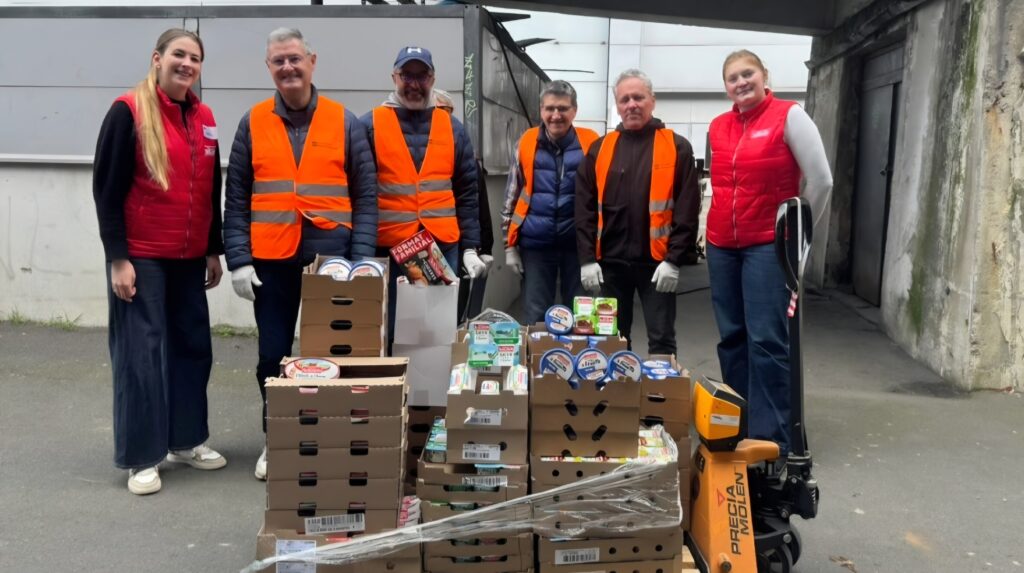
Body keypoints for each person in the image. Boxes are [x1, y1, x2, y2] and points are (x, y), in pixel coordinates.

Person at [224, 28, 378, 480]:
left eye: (294, 58)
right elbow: (236, 197)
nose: (287, 67)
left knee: (329, 357)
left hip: (330, 263)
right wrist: (238, 259)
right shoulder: (251, 123)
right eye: (278, 61)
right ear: (268, 68)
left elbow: (365, 195)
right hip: (270, 262)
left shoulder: (344, 121)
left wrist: (361, 258)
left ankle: (325, 438)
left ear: (312, 60)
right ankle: (278, 440)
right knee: (272, 357)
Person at [92, 29, 226, 495]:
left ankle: (185, 441)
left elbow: (211, 190)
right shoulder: (128, 111)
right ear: (157, 59)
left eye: (195, 58)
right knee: (140, 356)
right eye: (178, 55)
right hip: (143, 256)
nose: (186, 64)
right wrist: (118, 259)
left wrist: (214, 248)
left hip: (190, 258)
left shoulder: (205, 116)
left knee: (193, 349)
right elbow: (106, 191)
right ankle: (142, 456)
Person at [706, 50, 833, 457]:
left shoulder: (788, 115)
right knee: (732, 338)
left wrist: (797, 233)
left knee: (766, 340)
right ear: (725, 86)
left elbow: (821, 180)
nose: (741, 82)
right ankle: (737, 424)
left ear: (764, 76)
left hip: (767, 245)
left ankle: (771, 437)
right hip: (722, 243)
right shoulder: (718, 126)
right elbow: (719, 182)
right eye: (732, 78)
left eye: (748, 74)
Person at [361, 47, 485, 343]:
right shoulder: (369, 125)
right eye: (407, 75)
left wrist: (470, 248)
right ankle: (396, 388)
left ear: (432, 78)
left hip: (441, 246)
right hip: (388, 247)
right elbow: (360, 195)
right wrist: (360, 254)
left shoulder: (453, 128)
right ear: (394, 77)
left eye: (422, 76)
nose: (414, 84)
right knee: (390, 331)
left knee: (437, 332)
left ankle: (434, 389)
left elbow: (467, 193)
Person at [575, 69, 701, 356]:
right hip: (610, 264)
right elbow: (583, 208)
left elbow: (687, 209)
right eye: (625, 99)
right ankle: (621, 398)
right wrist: (586, 259)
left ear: (652, 101)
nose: (632, 104)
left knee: (662, 340)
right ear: (617, 105)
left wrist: (674, 260)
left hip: (657, 266)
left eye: (638, 97)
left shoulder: (676, 147)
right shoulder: (600, 149)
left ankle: (661, 399)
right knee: (611, 340)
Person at [503, 80, 599, 324]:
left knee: (581, 317)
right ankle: (537, 360)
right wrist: (509, 245)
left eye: (563, 108)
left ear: (574, 111)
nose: (556, 115)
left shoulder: (591, 143)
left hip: (578, 246)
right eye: (550, 108)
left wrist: (597, 251)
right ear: (541, 110)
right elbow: (512, 195)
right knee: (536, 315)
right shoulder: (526, 141)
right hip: (536, 245)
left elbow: (601, 196)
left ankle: (578, 361)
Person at [434, 88, 495, 321]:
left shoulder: (463, 151)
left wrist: (485, 248)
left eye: (445, 111)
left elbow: (478, 204)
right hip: (422, 248)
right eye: (436, 110)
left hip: (459, 249)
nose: (440, 116)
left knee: (456, 313)